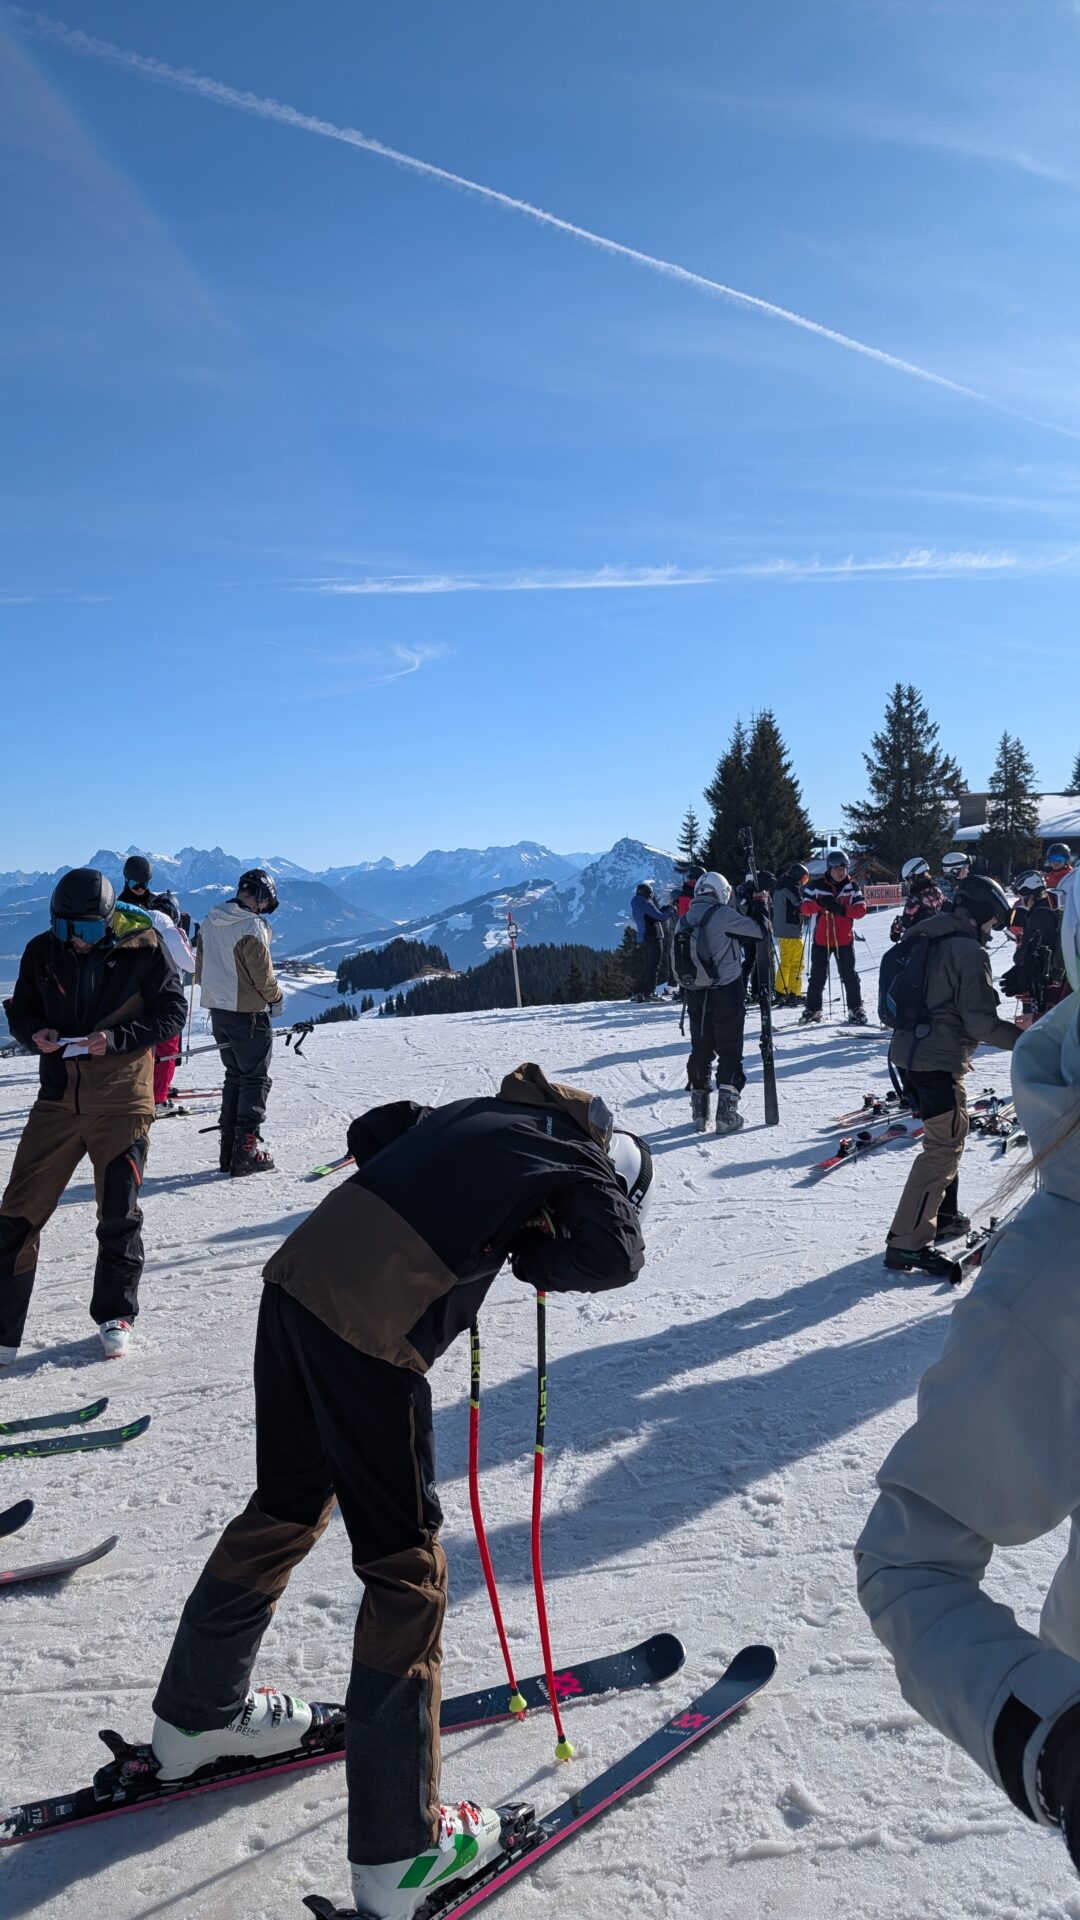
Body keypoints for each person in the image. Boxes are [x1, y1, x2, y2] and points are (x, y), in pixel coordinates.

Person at [146, 1062, 652, 1919]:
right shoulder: (577, 1155)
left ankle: (196, 1718)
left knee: (285, 1507)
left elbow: (374, 1128)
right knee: (406, 1572)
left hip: (294, 1286)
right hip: (367, 1334)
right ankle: (399, 1853)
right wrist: (536, 1244)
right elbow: (614, 1255)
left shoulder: (477, 1111)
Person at [854, 877, 1080, 1879]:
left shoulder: (935, 935)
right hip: (937, 1061)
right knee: (941, 1145)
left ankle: (928, 1224)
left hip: (923, 1056)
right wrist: (1057, 1747)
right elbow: (910, 1560)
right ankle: (913, 1234)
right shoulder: (1055, 1278)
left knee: (942, 1146)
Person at [0, 869, 185, 1364]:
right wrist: (34, 1032)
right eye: (65, 928)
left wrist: (117, 1039)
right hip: (58, 1100)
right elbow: (21, 1010)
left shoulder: (144, 949)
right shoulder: (43, 951)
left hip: (122, 1103)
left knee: (118, 1213)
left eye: (83, 930)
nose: (75, 940)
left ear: (107, 921)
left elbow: (172, 1013)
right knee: (17, 1213)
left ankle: (115, 1314)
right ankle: (2, 1334)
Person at [882, 872, 1019, 1277]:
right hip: (935, 1061)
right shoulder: (968, 951)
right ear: (980, 912)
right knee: (942, 1147)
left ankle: (943, 1217)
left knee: (949, 1137)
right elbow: (980, 1022)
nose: (992, 930)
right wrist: (1030, 1041)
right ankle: (907, 1244)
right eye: (993, 920)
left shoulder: (926, 934)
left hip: (908, 1055)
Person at [196, 867, 285, 1175]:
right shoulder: (251, 926)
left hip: (218, 1013)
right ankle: (245, 1153)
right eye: (266, 903)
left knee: (234, 1077)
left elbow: (199, 968)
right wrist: (276, 999)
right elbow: (264, 978)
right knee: (255, 1080)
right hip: (249, 1015)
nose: (264, 908)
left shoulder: (210, 919)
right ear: (260, 897)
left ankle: (228, 1153)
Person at [678, 872, 766, 1131]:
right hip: (726, 991)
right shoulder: (723, 914)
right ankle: (726, 1114)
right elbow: (759, 932)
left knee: (701, 1049)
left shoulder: (685, 919)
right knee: (729, 1050)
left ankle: (699, 1111)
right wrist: (760, 905)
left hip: (695, 993)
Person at [799, 852, 868, 1025]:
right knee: (817, 977)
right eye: (837, 869)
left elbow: (861, 910)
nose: (840, 873)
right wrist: (819, 904)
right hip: (821, 940)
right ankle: (813, 1009)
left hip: (844, 940)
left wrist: (841, 909)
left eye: (843, 869)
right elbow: (804, 908)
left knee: (849, 976)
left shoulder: (852, 887)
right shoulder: (816, 885)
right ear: (829, 869)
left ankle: (855, 1008)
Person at [1002, 872, 1070, 1026]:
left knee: (1037, 1022)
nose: (1021, 901)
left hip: (1042, 980)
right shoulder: (1050, 907)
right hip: (1055, 976)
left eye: (1022, 896)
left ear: (1029, 893)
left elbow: (1032, 950)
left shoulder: (1039, 914)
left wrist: (1020, 959)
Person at [772, 862, 809, 1006]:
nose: (803, 882)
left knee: (785, 962)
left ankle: (781, 992)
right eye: (804, 879)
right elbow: (800, 906)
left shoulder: (780, 885)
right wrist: (809, 908)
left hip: (780, 931)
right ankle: (794, 993)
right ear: (798, 876)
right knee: (797, 963)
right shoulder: (791, 887)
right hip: (792, 930)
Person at [629, 881, 669, 1003]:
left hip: (643, 938)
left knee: (647, 966)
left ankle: (639, 992)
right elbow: (661, 917)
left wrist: (664, 909)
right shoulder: (646, 904)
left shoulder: (637, 904)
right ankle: (649, 992)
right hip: (653, 937)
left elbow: (653, 915)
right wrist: (671, 910)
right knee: (654, 966)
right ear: (647, 893)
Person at [889, 857, 946, 943]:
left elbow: (906, 921)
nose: (909, 883)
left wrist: (894, 929)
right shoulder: (936, 890)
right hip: (942, 933)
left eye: (909, 880)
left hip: (923, 940)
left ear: (914, 877)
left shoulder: (915, 898)